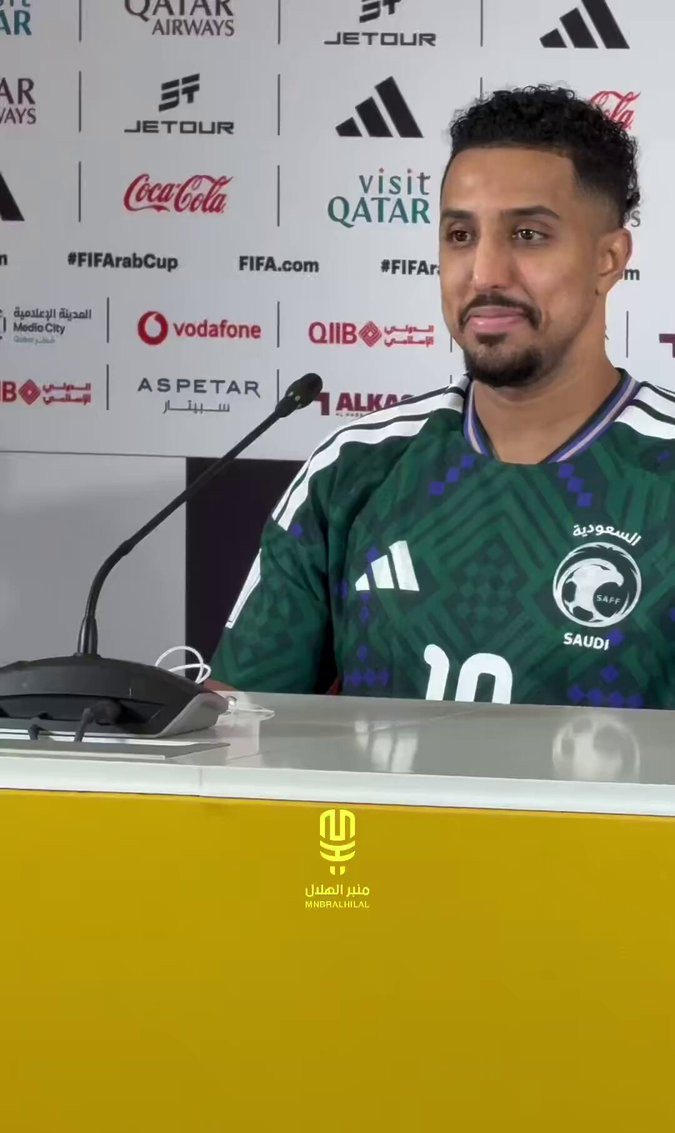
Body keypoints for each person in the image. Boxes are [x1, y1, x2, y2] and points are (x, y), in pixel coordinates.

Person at [210, 84, 675, 709]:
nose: (484, 273)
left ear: (608, 259)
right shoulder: (355, 468)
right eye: (460, 235)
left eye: (528, 234)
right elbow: (237, 721)